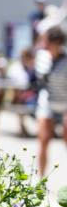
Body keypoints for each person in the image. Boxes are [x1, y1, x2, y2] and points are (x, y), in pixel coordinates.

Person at [36, 27, 67, 175]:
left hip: (65, 103)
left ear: (57, 42)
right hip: (47, 103)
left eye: (48, 40)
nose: (45, 44)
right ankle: (40, 180)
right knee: (43, 140)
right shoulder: (41, 57)